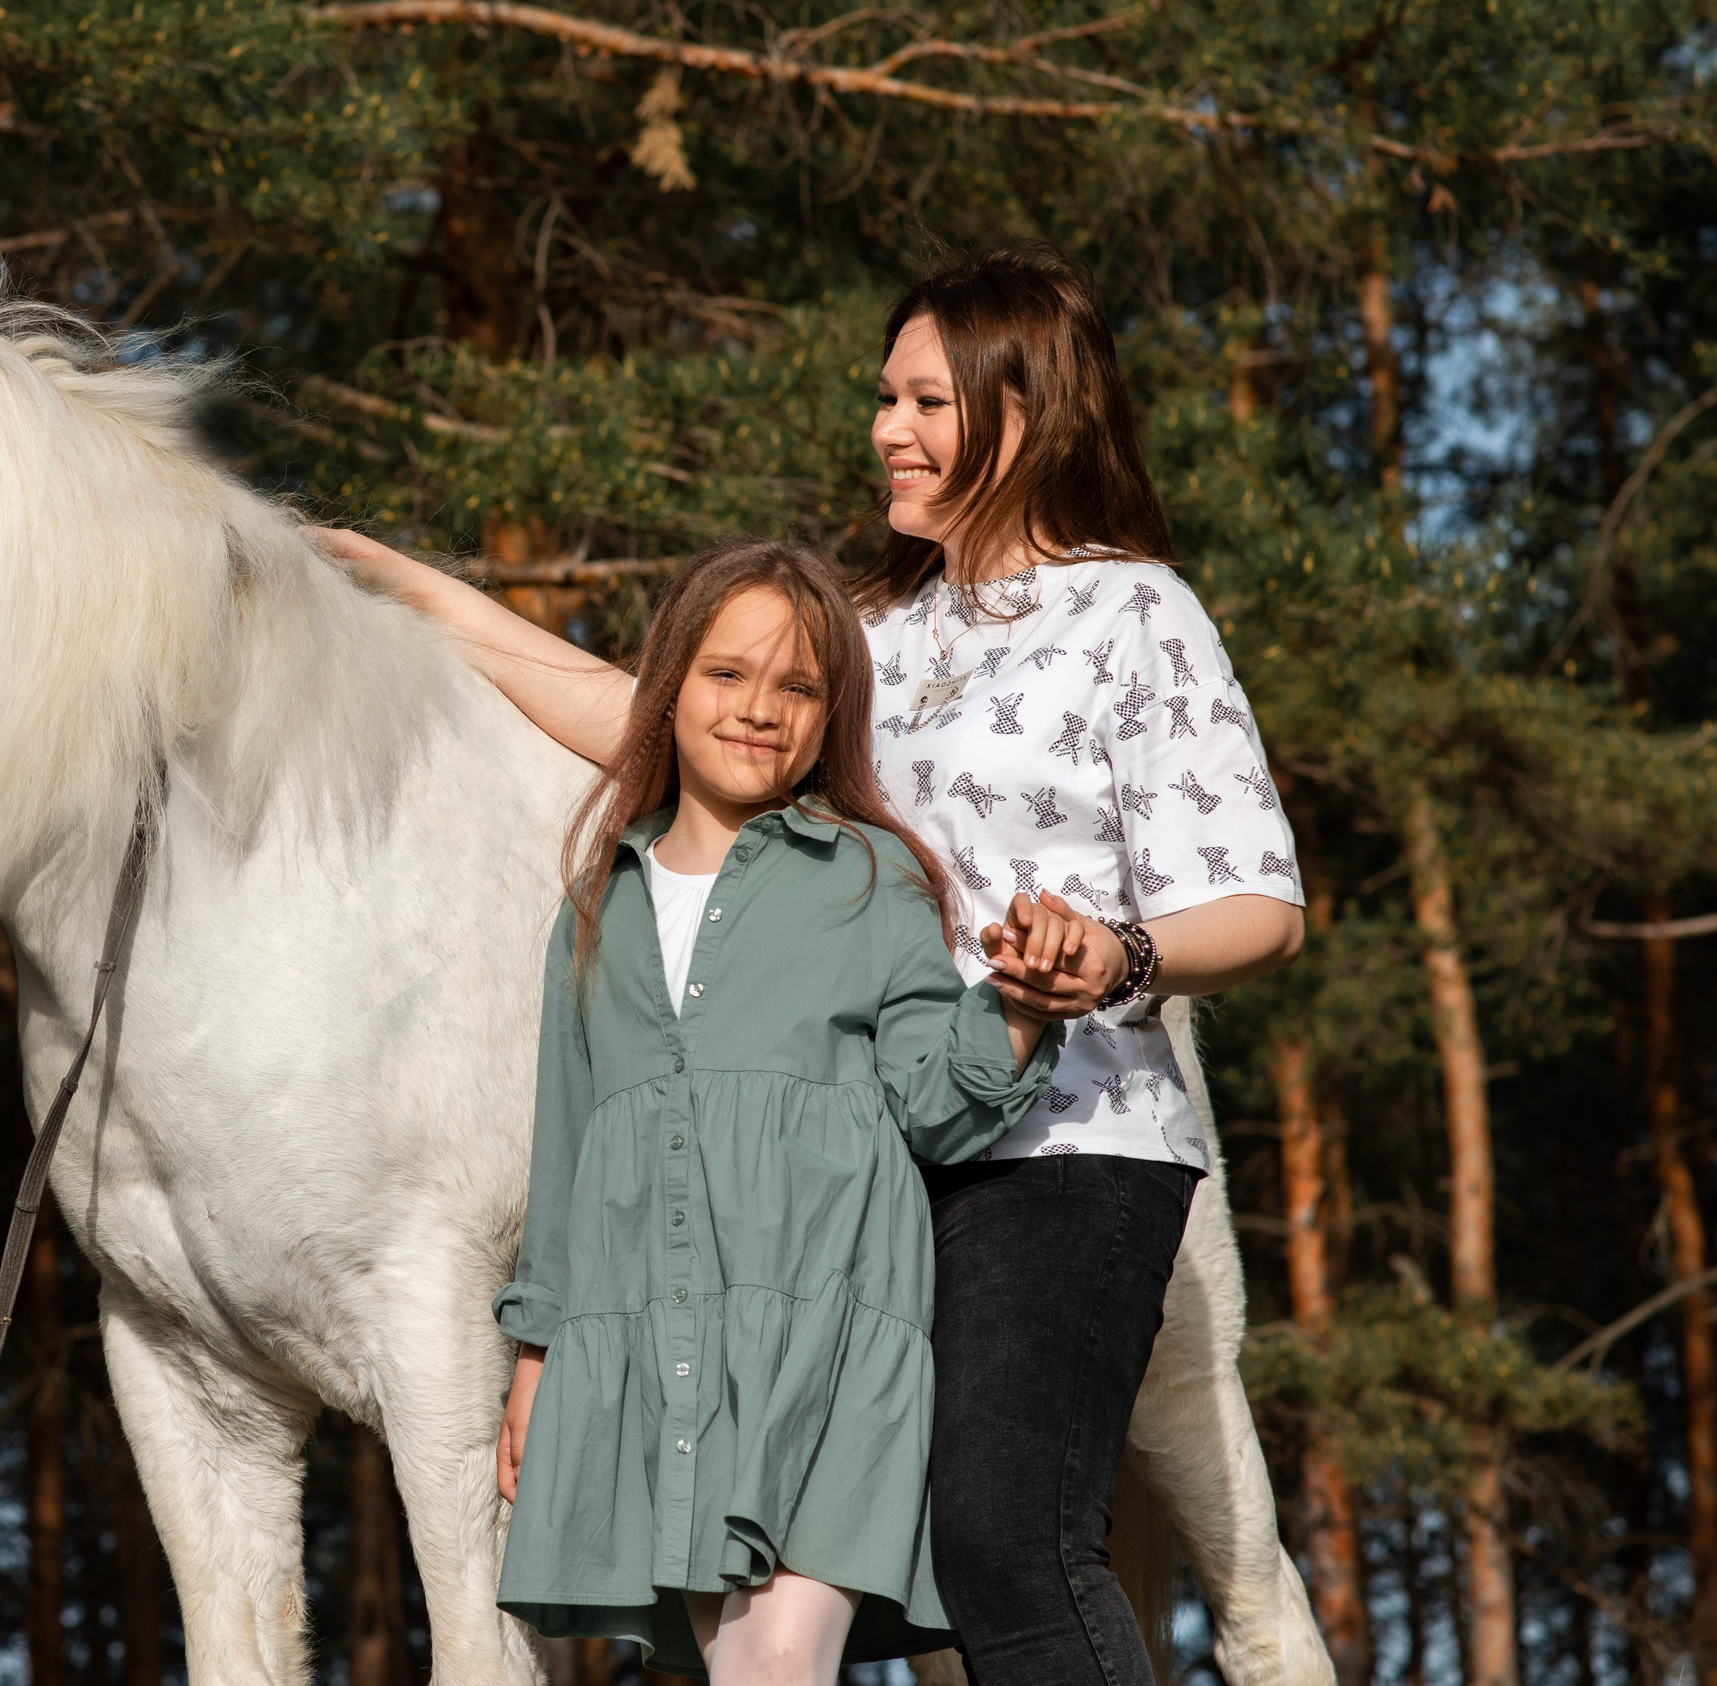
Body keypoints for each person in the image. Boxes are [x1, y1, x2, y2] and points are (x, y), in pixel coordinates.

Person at [324, 249, 1306, 1686]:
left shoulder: (1133, 614)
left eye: (924, 400)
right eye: (883, 395)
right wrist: (414, 593)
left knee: (1005, 1544)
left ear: (1023, 415)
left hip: (1066, 1140)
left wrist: (1116, 952)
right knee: (812, 1581)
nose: (885, 429)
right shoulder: (867, 630)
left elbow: (1264, 906)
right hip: (866, 1170)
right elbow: (642, 706)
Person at [490, 538, 1059, 1685]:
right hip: (654, 1342)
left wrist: (1020, 1008)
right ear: (668, 686)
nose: (761, 710)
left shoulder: (866, 875)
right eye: (727, 676)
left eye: (800, 688)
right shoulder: (599, 898)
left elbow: (932, 1106)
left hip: (832, 1336)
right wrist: (538, 1351)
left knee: (780, 1665)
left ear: (831, 714)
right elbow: (568, 1137)